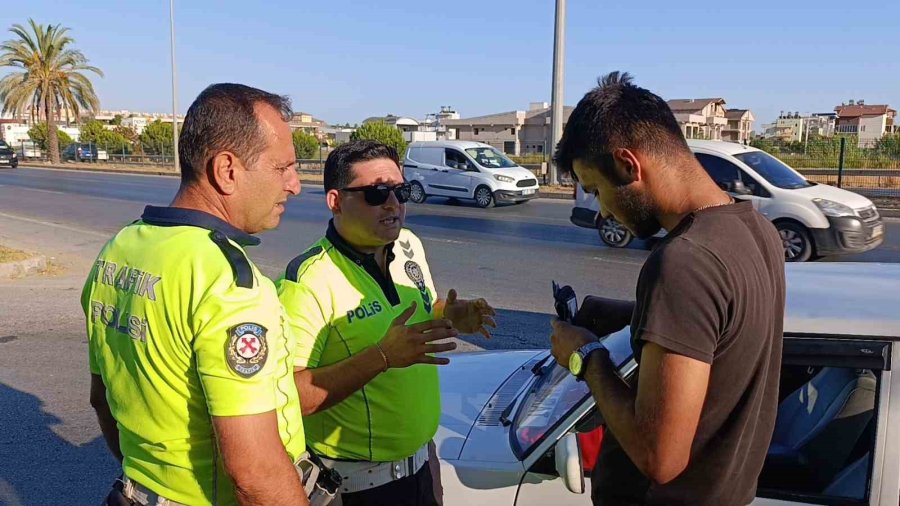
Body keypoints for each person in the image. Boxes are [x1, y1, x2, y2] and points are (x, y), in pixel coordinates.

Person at [549, 72, 786, 506]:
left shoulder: (685, 261)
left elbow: (660, 457)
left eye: (597, 189)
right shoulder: (756, 229)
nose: (601, 209)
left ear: (628, 164)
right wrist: (635, 317)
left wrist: (586, 357)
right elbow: (724, 336)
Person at [83, 83, 309, 506]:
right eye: (282, 169)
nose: (295, 185)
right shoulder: (229, 282)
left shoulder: (120, 248)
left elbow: (103, 399)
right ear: (227, 170)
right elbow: (255, 472)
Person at [276, 140, 496, 506]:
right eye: (377, 193)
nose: (394, 203)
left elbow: (418, 309)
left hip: (422, 468)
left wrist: (449, 314)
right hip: (358, 488)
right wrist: (381, 357)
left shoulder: (408, 244)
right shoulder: (308, 280)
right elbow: (290, 395)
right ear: (335, 201)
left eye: (401, 190)